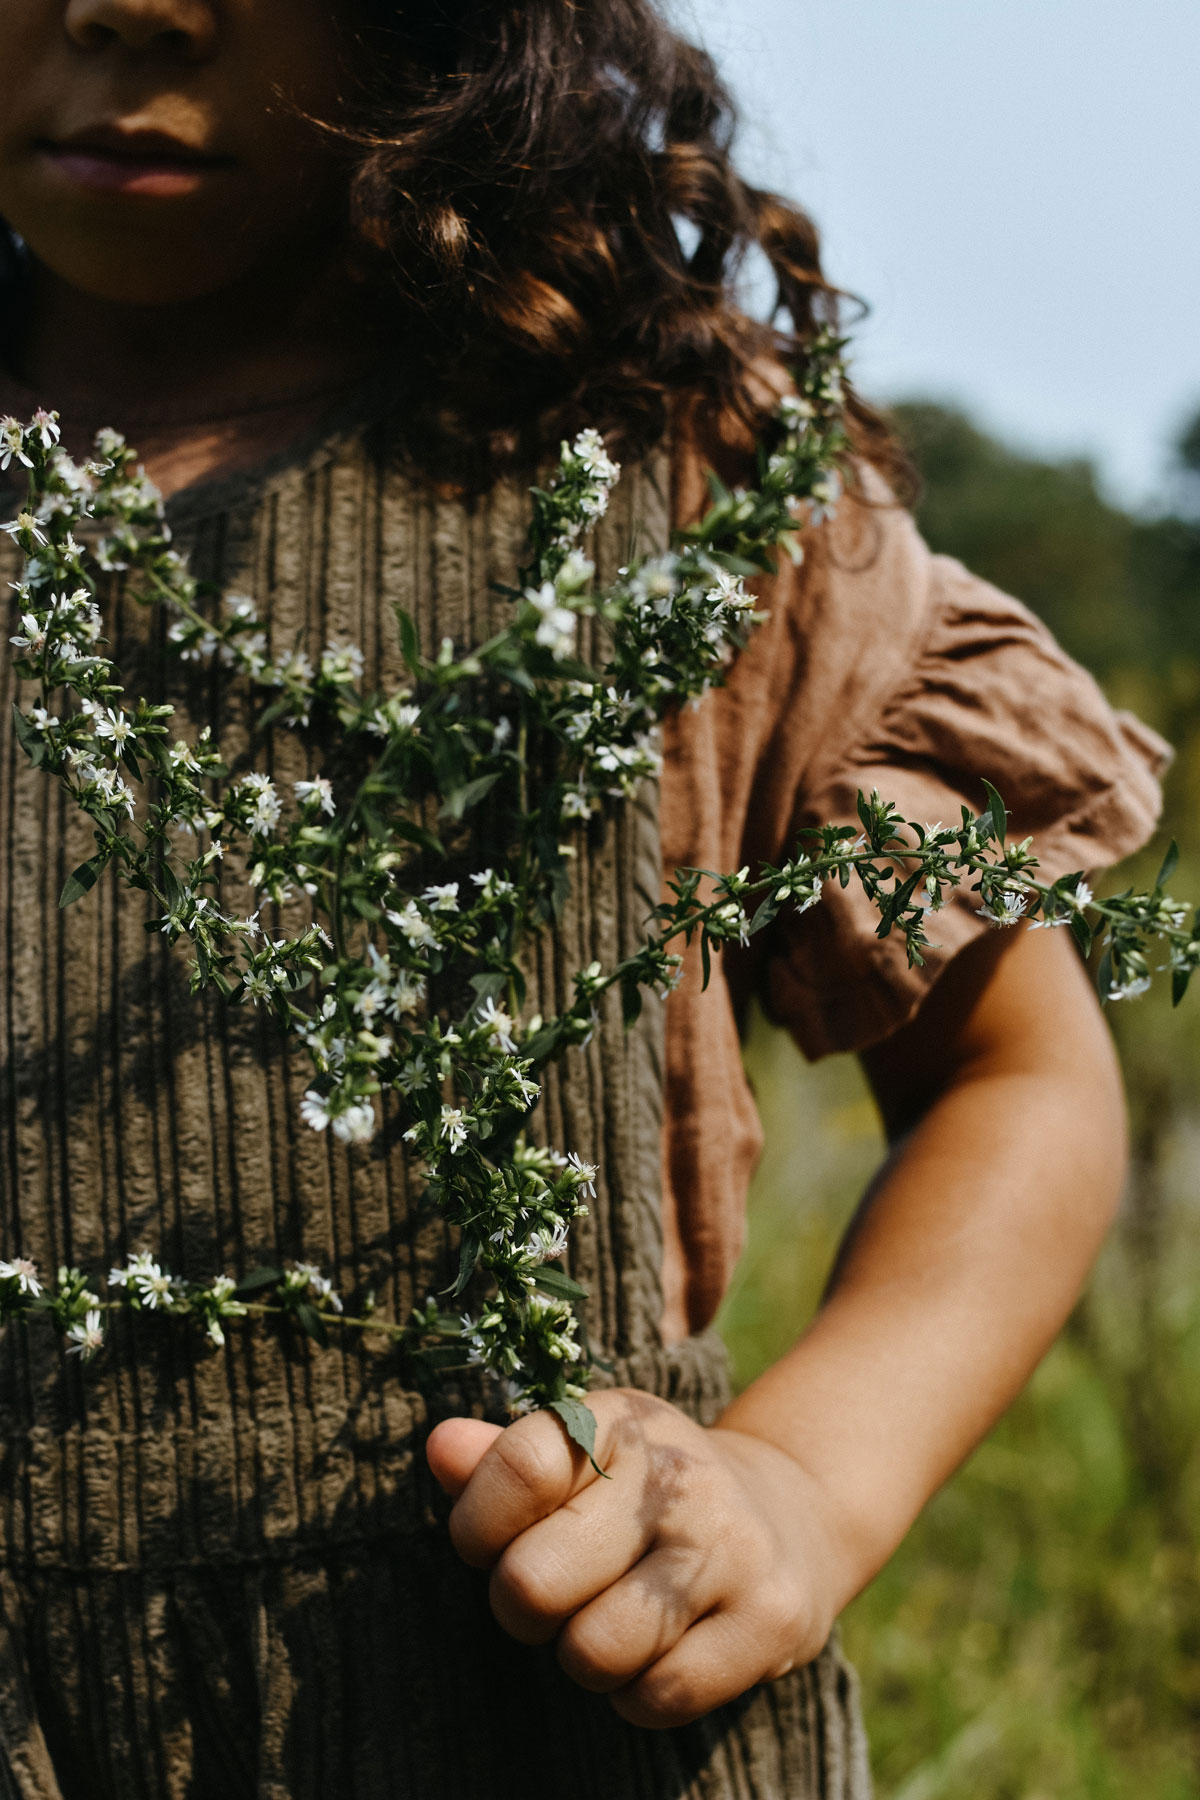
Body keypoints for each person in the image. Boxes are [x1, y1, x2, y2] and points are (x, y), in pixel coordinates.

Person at [0, 2, 1169, 1796]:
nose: (127, 5)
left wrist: (803, 1486)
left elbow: (1013, 1081)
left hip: (551, 1719)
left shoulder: (660, 479)